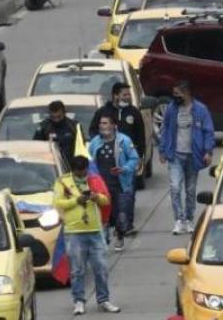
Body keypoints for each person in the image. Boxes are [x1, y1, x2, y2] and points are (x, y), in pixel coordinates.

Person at [53, 155, 119, 315]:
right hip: (74, 233)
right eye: (79, 173)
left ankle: (104, 300)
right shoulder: (62, 182)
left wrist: (96, 197)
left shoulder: (95, 179)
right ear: (73, 170)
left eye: (84, 172)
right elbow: (57, 202)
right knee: (77, 270)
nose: (82, 175)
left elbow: (106, 200)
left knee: (101, 268)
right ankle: (79, 301)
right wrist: (76, 201)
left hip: (95, 230)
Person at [158, 80, 215, 235]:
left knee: (190, 190)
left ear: (187, 93)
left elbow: (208, 131)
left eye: (178, 94)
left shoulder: (201, 110)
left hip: (193, 156)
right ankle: (179, 220)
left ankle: (189, 219)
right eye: (174, 94)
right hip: (175, 155)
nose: (175, 97)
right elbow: (165, 130)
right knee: (175, 187)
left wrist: (208, 151)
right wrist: (162, 150)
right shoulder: (171, 109)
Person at [87, 114, 139, 251]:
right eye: (101, 123)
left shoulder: (124, 141)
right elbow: (89, 162)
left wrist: (124, 169)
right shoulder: (94, 143)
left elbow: (134, 159)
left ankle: (120, 236)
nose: (102, 126)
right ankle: (104, 239)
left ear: (113, 125)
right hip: (102, 187)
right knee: (103, 215)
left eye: (105, 123)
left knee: (121, 214)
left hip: (121, 185)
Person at [89, 82, 148, 166]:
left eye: (129, 95)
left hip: (128, 157)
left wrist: (140, 156)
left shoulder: (134, 112)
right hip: (107, 156)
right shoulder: (103, 112)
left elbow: (140, 136)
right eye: (124, 95)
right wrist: (99, 144)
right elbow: (93, 130)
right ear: (115, 96)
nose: (128, 97)